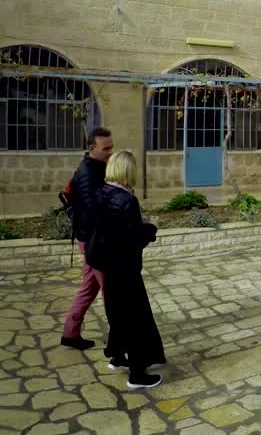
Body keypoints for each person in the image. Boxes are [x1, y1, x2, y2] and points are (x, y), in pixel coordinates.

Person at [85, 150, 165, 389]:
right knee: (136, 319)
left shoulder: (100, 193)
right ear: (128, 170)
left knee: (117, 313)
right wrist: (151, 229)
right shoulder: (127, 200)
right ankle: (137, 374)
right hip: (125, 268)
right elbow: (133, 239)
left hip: (107, 266)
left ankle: (117, 357)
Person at [60, 127, 112, 351]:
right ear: (92, 148)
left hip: (89, 238)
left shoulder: (97, 167)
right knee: (112, 291)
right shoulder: (89, 173)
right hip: (94, 240)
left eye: (112, 147)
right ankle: (120, 344)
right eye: (106, 148)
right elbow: (95, 211)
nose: (111, 152)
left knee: (89, 287)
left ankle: (70, 334)